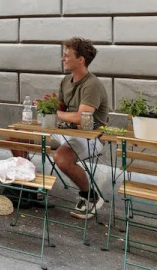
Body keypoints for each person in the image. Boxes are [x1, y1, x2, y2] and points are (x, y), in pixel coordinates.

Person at [53, 37, 109, 219]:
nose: (63, 58)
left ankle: (90, 196)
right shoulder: (66, 80)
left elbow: (81, 118)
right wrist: (49, 104)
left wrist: (57, 113)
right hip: (65, 132)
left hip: (90, 137)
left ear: (81, 59)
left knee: (61, 157)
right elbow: (60, 107)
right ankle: (26, 190)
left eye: (66, 55)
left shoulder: (92, 85)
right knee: (18, 138)